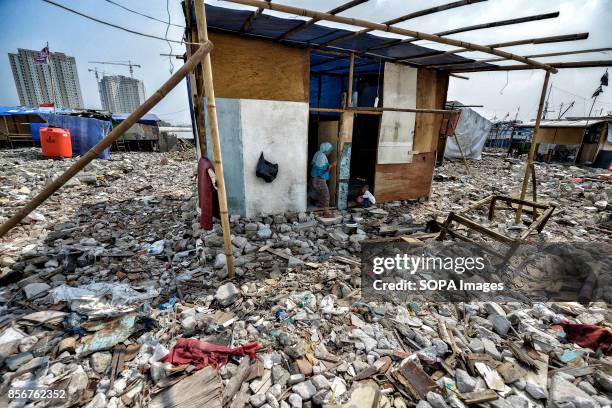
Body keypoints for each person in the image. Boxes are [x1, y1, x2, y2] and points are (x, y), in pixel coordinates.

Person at [310, 142, 336, 212]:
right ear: (326, 150)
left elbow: (313, 164)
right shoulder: (322, 157)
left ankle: (320, 205)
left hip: (314, 177)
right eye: (330, 151)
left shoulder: (318, 153)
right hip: (319, 178)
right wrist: (332, 165)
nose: (330, 153)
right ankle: (326, 211)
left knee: (319, 192)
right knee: (325, 194)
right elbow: (322, 170)